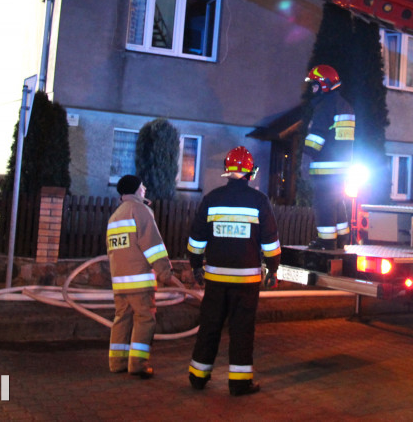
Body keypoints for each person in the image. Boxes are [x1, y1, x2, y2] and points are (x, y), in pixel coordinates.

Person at [186, 147, 281, 396]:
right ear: (250, 172)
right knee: (242, 330)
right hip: (246, 280)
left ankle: (198, 376)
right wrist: (273, 269)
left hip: (215, 278)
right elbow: (270, 242)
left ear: (227, 172)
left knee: (209, 326)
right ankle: (239, 383)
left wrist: (196, 266)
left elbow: (196, 239)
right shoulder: (259, 201)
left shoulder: (212, 198)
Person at [106, 174, 173, 379]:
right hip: (140, 281)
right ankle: (138, 364)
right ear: (136, 189)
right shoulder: (140, 211)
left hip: (120, 283)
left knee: (121, 320)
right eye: (142, 186)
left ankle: (117, 363)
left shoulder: (115, 217)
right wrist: (165, 272)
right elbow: (152, 245)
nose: (144, 189)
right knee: (144, 320)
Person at [303, 64, 356, 250]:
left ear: (324, 85)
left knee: (324, 204)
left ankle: (326, 241)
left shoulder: (325, 106)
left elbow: (315, 140)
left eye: (315, 85)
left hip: (325, 169)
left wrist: (305, 153)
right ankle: (342, 238)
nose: (313, 89)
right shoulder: (345, 106)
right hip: (342, 170)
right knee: (337, 203)